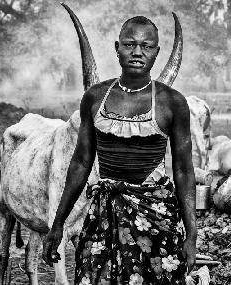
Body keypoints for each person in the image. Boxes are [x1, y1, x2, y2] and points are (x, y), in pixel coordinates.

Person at [42, 16, 196, 284]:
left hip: (156, 218)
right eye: (129, 44)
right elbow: (81, 163)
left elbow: (183, 171)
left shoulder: (172, 103)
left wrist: (191, 236)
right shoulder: (95, 97)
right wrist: (58, 225)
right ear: (117, 47)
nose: (137, 52)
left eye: (147, 46)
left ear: (157, 52)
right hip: (103, 215)